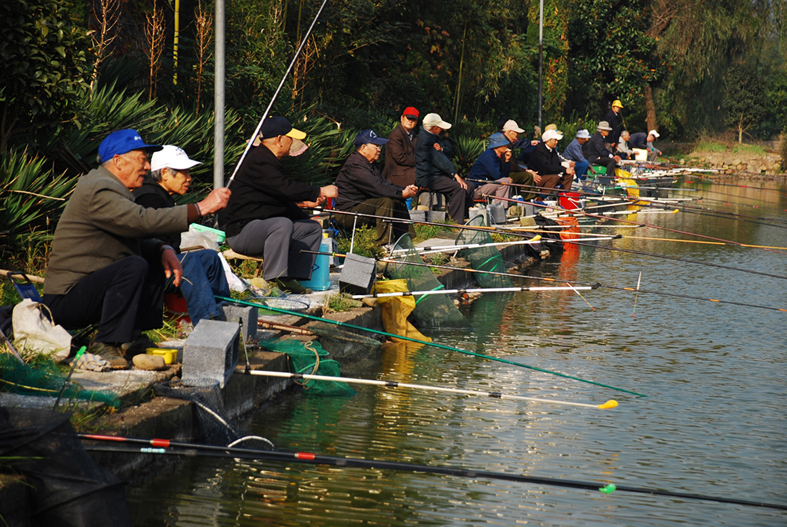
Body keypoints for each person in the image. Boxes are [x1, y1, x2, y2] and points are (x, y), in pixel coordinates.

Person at [42, 129, 230, 368]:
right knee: (133, 265)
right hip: (67, 299)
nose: (147, 166)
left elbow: (132, 234)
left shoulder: (113, 189)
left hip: (89, 291)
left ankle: (132, 337)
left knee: (149, 260)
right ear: (118, 161)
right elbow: (141, 221)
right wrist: (200, 208)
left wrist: (162, 249)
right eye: (142, 159)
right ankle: (107, 342)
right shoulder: (100, 188)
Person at [219, 116, 338, 295]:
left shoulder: (269, 161)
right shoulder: (258, 160)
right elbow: (285, 188)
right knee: (282, 224)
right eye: (291, 138)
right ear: (280, 139)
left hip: (263, 228)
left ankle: (292, 278)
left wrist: (304, 213)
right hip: (242, 233)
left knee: (311, 228)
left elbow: (280, 199)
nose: (292, 143)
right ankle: (275, 279)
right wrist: (320, 191)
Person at [133, 145, 230, 326]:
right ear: (165, 173)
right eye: (183, 172)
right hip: (149, 270)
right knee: (189, 262)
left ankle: (225, 309)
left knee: (210, 257)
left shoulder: (162, 195)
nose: (189, 178)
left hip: (166, 265)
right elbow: (151, 245)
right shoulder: (149, 197)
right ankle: (209, 323)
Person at [334, 129, 418, 245]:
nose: (379, 150)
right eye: (376, 147)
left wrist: (403, 190)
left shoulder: (371, 164)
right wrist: (401, 193)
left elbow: (385, 183)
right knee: (385, 201)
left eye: (380, 147)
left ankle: (406, 243)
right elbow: (376, 187)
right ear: (364, 148)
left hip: (364, 207)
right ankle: (383, 245)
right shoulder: (355, 165)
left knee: (398, 200)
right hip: (347, 214)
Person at [414, 113, 474, 223]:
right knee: (459, 188)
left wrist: (442, 148)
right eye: (440, 128)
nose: (441, 130)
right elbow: (440, 160)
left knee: (469, 186)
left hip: (439, 174)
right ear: (434, 128)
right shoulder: (424, 141)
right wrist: (455, 174)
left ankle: (466, 216)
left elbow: (448, 148)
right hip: (429, 176)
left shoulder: (433, 136)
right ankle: (455, 221)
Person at [467, 133, 513, 207]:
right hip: (478, 189)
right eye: (503, 145)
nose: (506, 147)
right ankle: (499, 209)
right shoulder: (488, 155)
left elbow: (504, 175)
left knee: (506, 181)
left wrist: (507, 161)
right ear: (497, 145)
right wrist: (506, 179)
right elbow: (497, 176)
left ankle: (502, 208)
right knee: (505, 181)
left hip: (487, 186)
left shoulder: (497, 157)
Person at [499, 120, 538, 200]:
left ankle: (531, 198)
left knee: (529, 174)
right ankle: (528, 200)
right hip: (504, 173)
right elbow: (512, 166)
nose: (518, 135)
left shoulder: (509, 142)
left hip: (508, 171)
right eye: (516, 132)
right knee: (528, 176)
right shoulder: (505, 144)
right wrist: (525, 171)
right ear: (510, 132)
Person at [382, 107, 419, 188]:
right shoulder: (396, 135)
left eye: (413, 119)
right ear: (402, 118)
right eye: (408, 118)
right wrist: (419, 159)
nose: (410, 121)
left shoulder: (413, 135)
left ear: (416, 122)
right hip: (398, 175)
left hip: (410, 171)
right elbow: (400, 158)